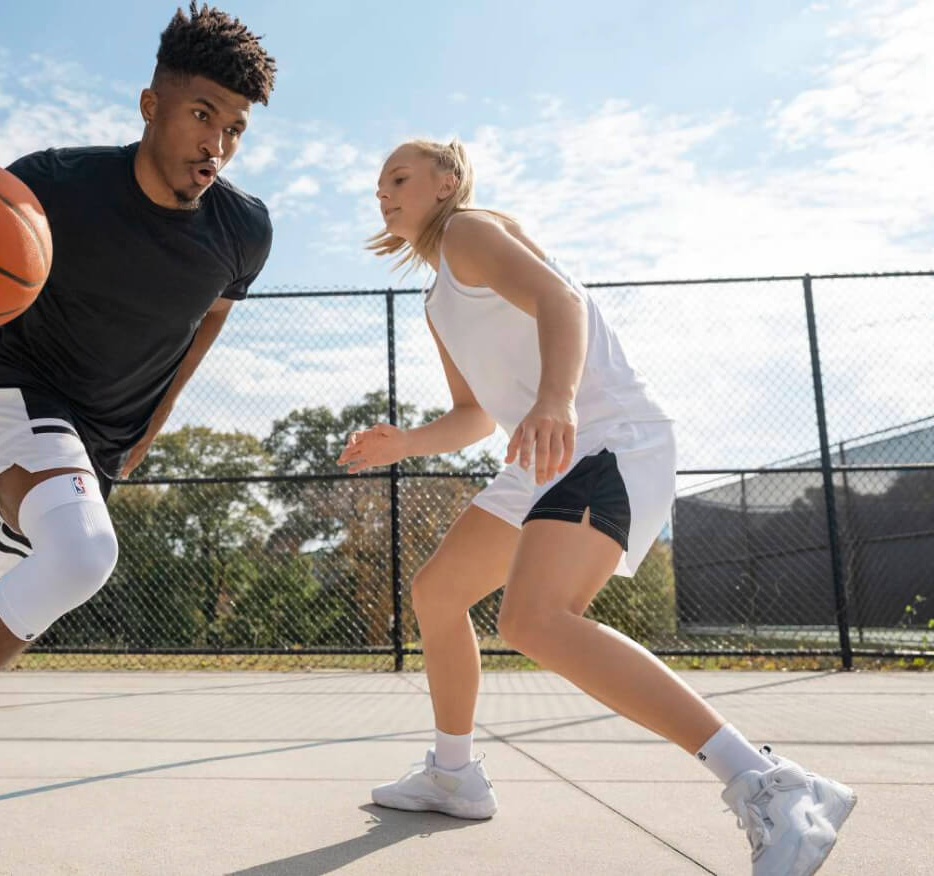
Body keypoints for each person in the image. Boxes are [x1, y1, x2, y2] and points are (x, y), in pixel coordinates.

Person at [0, 2, 277, 855]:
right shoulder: (47, 187)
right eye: (200, 115)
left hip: (99, 441)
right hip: (19, 396)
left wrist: (149, 431)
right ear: (150, 104)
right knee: (83, 555)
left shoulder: (243, 233)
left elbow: (201, 334)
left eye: (235, 128)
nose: (215, 144)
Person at [338, 138, 856, 875]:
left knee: (534, 618)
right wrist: (406, 441)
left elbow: (561, 299)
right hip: (539, 459)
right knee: (438, 593)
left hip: (604, 436)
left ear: (446, 181)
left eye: (398, 177)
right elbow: (473, 416)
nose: (383, 192)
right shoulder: (436, 299)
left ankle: (774, 785)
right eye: (377, 184)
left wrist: (555, 398)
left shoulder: (469, 229)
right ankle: (453, 774)